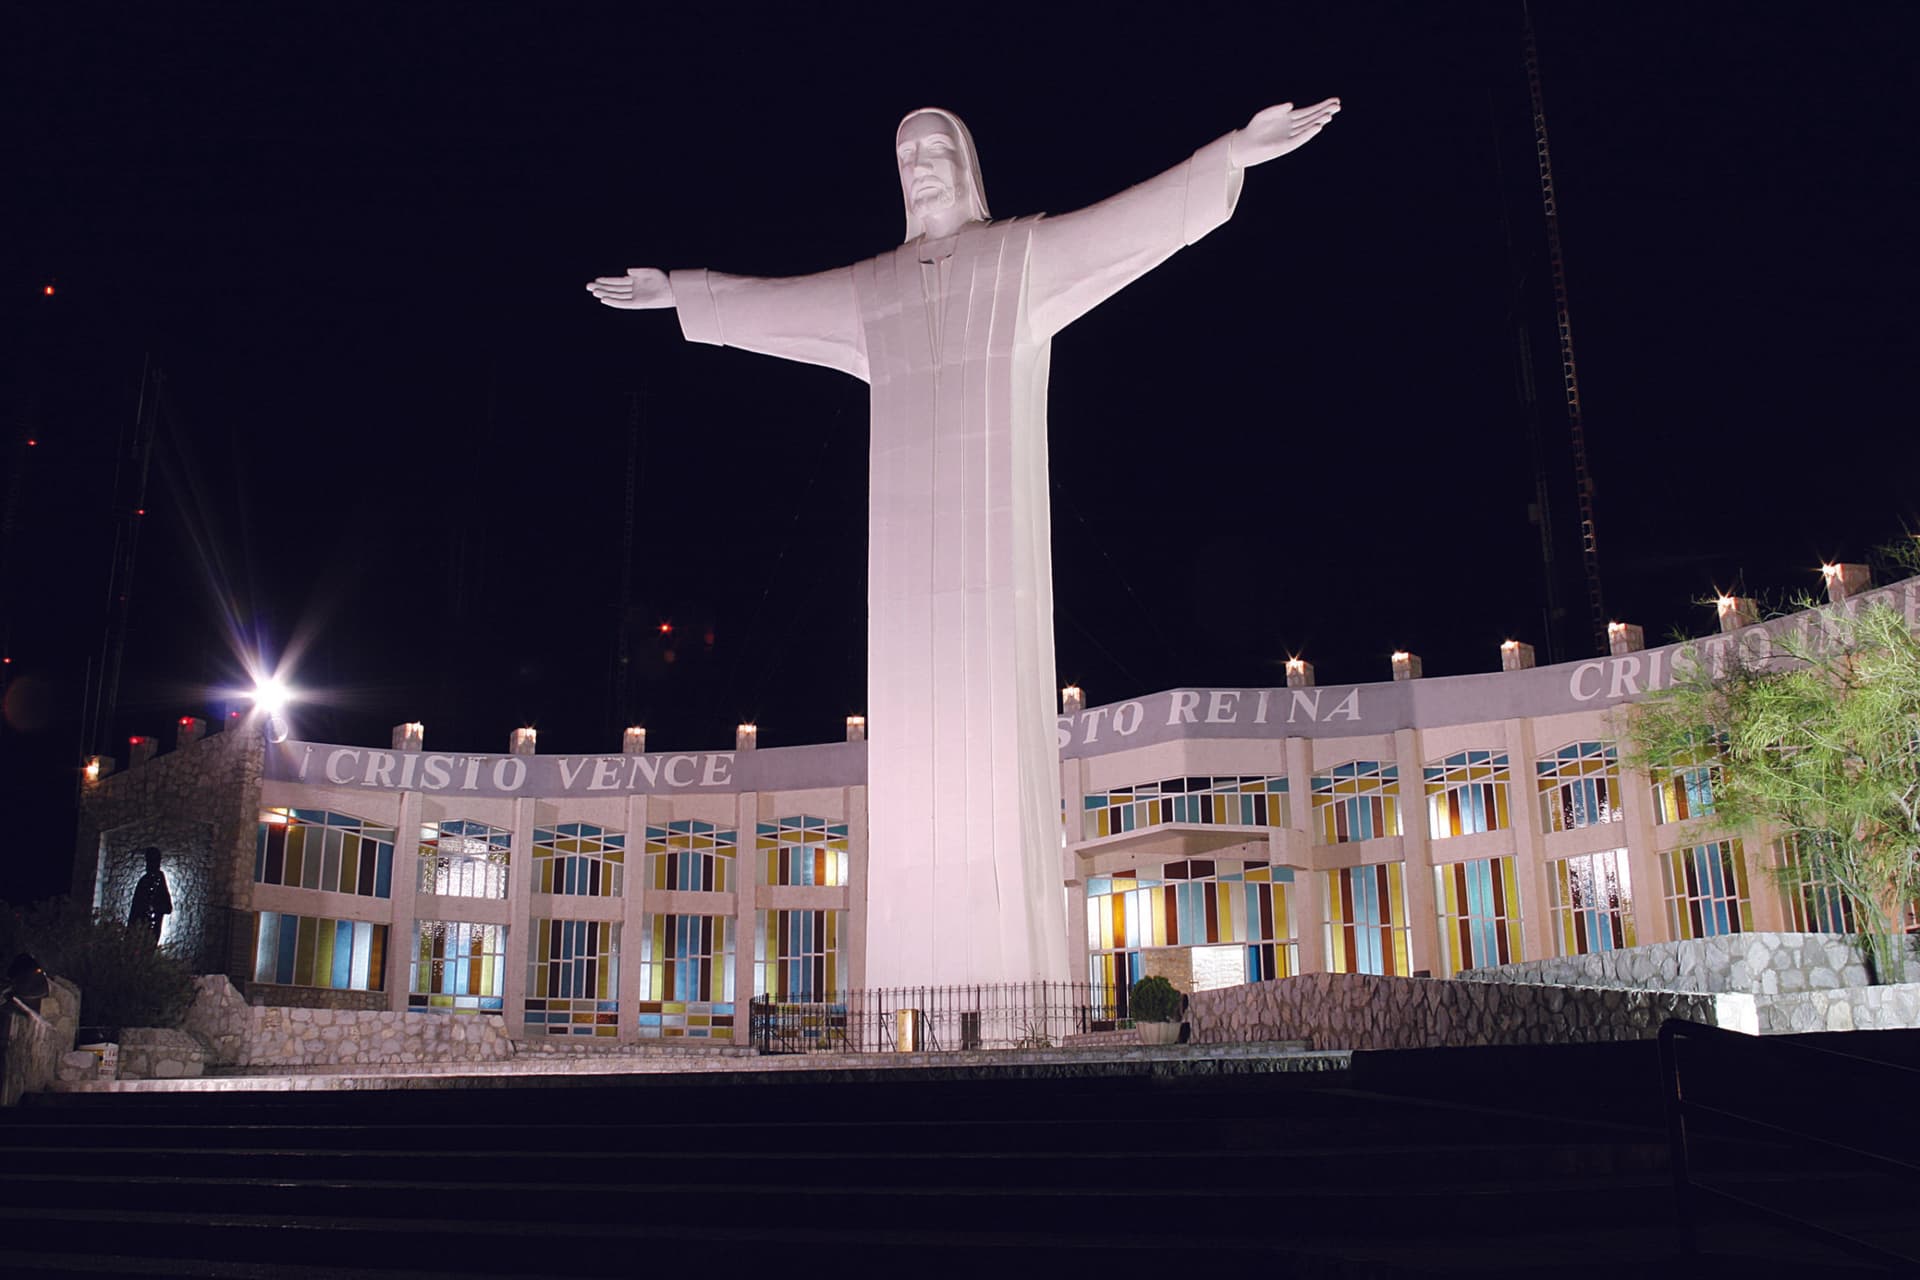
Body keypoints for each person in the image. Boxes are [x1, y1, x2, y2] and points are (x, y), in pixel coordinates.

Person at [587, 100, 1339, 987]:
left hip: (995, 579)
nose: (921, 165)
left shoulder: (1019, 258)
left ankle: (1012, 1002)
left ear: (969, 163)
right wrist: (687, 291)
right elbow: (776, 304)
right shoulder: (873, 290)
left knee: (994, 781)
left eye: (936, 148)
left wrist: (1228, 157)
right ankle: (909, 1004)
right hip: (906, 599)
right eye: (906, 155)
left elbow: (1121, 228)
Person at [127, 846, 172, 946]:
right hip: (141, 929)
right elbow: (135, 908)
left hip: (150, 929)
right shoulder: (144, 881)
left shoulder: (158, 880)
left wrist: (155, 908)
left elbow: (168, 908)